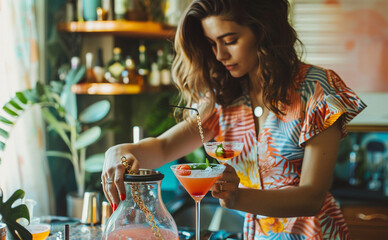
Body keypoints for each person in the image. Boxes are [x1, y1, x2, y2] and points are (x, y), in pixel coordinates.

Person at [101, 0, 366, 239]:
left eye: (230, 40)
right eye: (212, 43)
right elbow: (164, 147)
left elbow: (311, 197)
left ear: (264, 32)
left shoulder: (316, 89)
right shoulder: (225, 99)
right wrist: (120, 152)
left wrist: (237, 196)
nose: (219, 55)